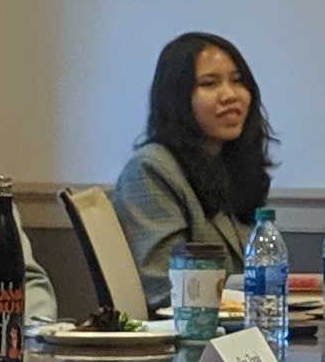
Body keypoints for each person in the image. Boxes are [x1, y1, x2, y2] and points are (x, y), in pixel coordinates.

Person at [112, 31, 276, 297]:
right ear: (177, 98)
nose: (230, 95)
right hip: (185, 335)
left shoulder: (229, 164)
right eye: (210, 84)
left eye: (237, 81)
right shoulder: (150, 170)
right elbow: (166, 288)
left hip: (237, 332)